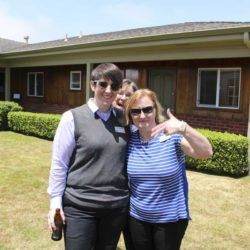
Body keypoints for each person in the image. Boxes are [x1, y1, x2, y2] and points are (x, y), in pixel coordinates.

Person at [47, 63, 130, 250]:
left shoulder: (124, 119)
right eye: (103, 84)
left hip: (115, 208)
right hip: (79, 207)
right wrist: (55, 203)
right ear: (92, 85)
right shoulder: (72, 118)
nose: (108, 91)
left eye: (114, 86)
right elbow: (59, 164)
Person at [124, 89, 213, 250]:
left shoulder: (172, 136)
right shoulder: (129, 139)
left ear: (155, 110)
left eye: (147, 109)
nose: (142, 115)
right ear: (130, 115)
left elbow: (207, 152)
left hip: (169, 221)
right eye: (136, 111)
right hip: (137, 218)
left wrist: (183, 127)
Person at [113, 78, 138, 250]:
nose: (122, 97)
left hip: (133, 196)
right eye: (120, 92)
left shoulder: (137, 125)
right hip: (111, 193)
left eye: (128, 95)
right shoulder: (103, 118)